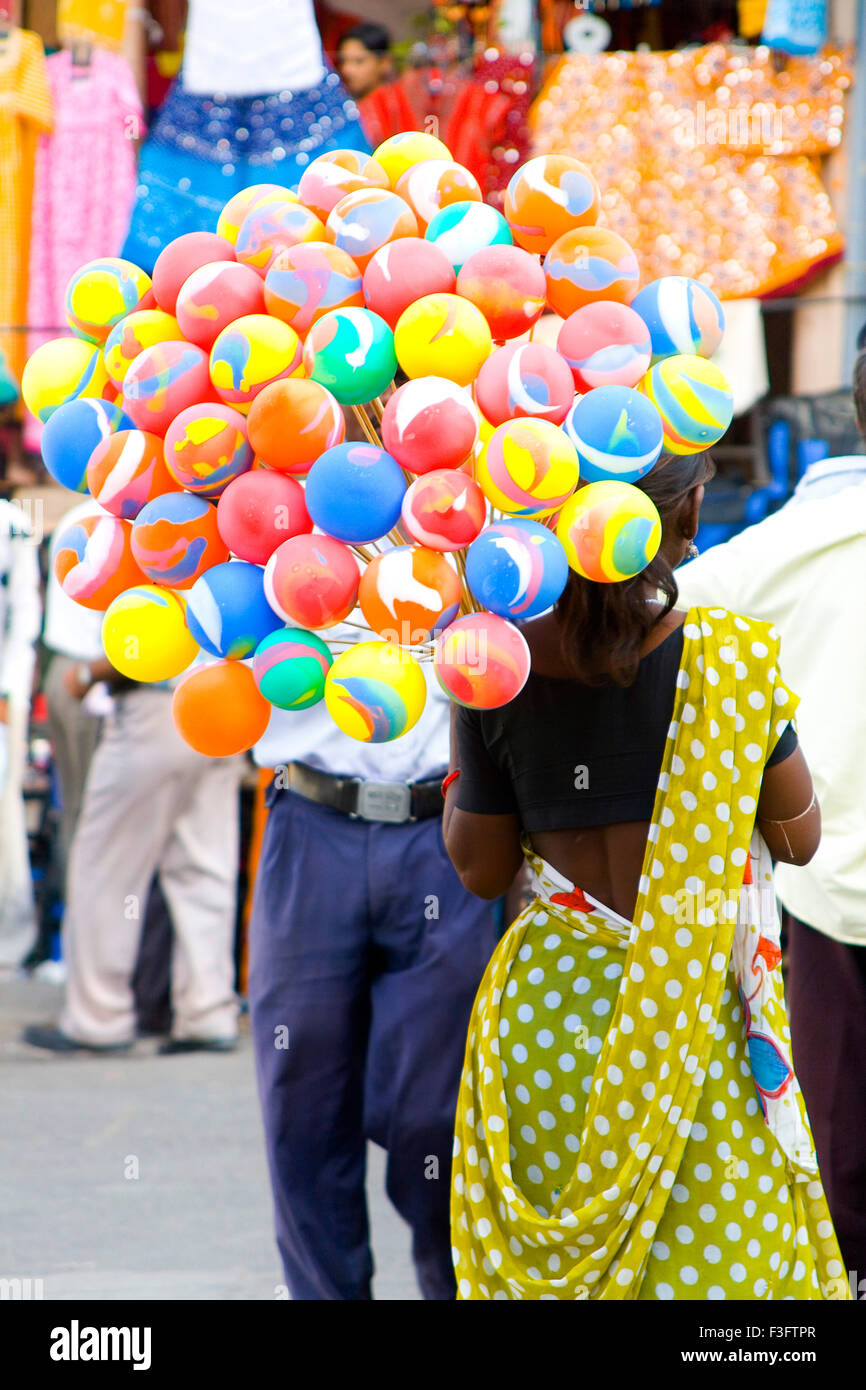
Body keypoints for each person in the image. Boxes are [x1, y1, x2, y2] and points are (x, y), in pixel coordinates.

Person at [443, 451, 849, 1301]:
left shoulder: (494, 666)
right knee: (714, 1266)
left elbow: (480, 871)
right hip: (696, 1011)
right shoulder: (729, 665)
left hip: (551, 1019)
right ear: (689, 514)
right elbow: (800, 837)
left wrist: (463, 773)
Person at [675, 352, 866, 1293]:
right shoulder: (796, 545)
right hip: (820, 890)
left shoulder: (775, 551)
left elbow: (665, 617)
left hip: (820, 891)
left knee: (838, 1151)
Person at [249, 647, 500, 1300]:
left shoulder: (478, 545)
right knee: (300, 1100)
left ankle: (454, 1282)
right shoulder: (282, 550)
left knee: (438, 1112)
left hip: (447, 826)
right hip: (309, 818)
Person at [23, 660, 243, 1054]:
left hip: (157, 704)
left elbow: (147, 636)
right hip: (228, 702)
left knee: (106, 870)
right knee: (204, 869)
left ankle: (98, 1019)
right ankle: (206, 1013)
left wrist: (87, 675)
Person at [0, 491, 42, 966]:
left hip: (3, 696)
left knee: (6, 813)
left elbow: (25, 613)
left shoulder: (13, 523)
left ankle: (10, 942)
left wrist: (10, 691)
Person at [335, 22, 392, 101]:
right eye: (343, 61)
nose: (346, 70)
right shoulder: (346, 106)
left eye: (358, 61)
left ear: (384, 62)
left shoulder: (400, 106)